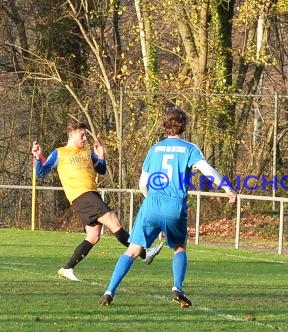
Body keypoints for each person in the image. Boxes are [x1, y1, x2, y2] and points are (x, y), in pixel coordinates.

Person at [99, 107, 237, 307]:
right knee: (179, 247)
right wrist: (228, 189)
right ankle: (177, 288)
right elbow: (208, 171)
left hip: (151, 204)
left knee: (132, 250)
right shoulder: (190, 148)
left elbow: (142, 184)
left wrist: (152, 201)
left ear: (165, 126)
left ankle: (109, 291)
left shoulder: (155, 148)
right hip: (174, 206)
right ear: (184, 126)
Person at [32, 121, 163, 282]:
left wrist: (101, 156)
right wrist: (37, 157)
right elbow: (40, 173)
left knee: (93, 236)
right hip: (82, 195)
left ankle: (67, 268)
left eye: (85, 134)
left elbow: (100, 169)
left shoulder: (87, 151)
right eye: (82, 134)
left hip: (91, 194)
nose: (85, 138)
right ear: (72, 133)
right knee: (113, 220)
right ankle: (144, 253)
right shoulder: (60, 153)